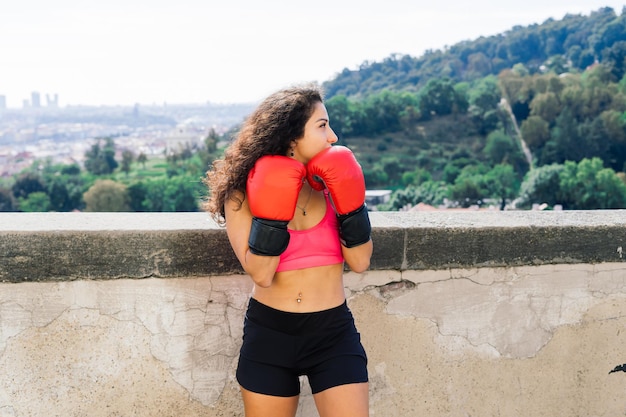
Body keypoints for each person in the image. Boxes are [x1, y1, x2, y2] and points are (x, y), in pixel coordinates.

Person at [204, 82, 373, 417]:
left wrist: (351, 206)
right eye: (322, 126)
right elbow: (262, 274)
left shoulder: (334, 186)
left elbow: (360, 261)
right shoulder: (241, 195)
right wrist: (273, 203)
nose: (333, 137)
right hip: (271, 334)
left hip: (332, 333)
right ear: (292, 136)